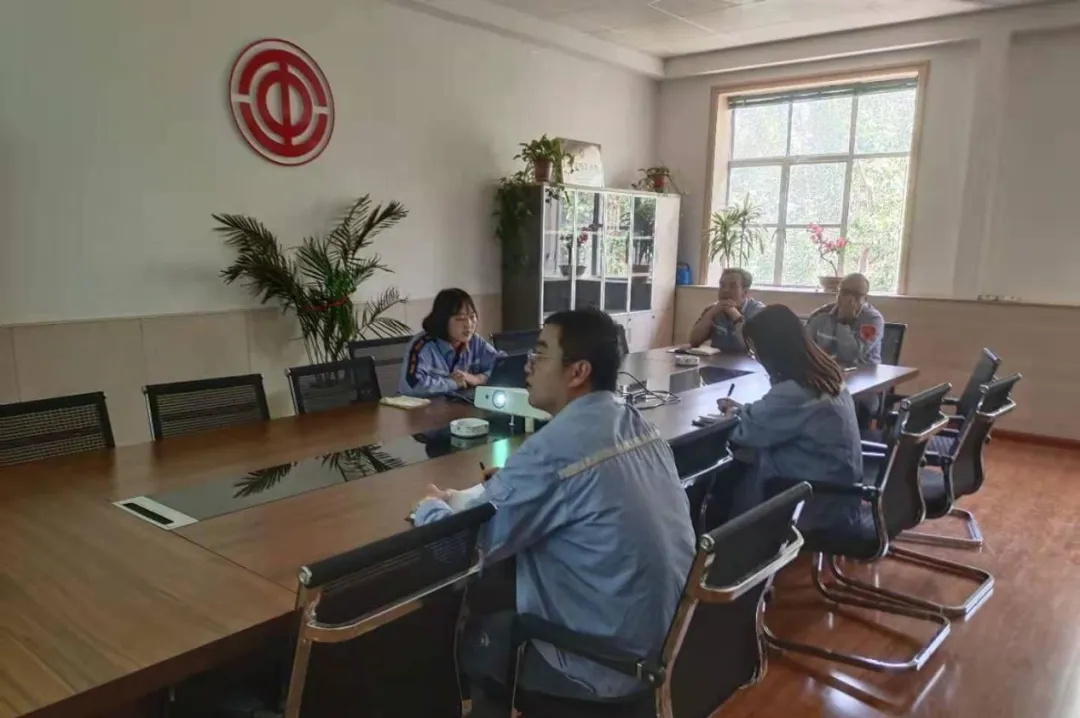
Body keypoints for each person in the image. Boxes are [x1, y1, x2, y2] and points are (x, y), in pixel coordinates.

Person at [411, 309, 695, 715]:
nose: (527, 364)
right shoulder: (634, 422)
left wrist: (430, 507)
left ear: (577, 372)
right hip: (667, 643)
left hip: (601, 663)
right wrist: (517, 482)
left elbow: (458, 549)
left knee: (468, 638)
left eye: (540, 353)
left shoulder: (554, 450)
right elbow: (575, 481)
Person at [715, 304, 868, 532]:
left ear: (772, 350)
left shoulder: (797, 391)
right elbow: (776, 417)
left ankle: (724, 543)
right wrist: (744, 410)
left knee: (723, 473)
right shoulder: (826, 375)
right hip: (838, 493)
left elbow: (744, 433)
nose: (757, 358)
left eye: (755, 352)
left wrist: (732, 415)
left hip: (812, 504)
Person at [398, 288, 501, 398]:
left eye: (472, 317)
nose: (469, 325)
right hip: (427, 408)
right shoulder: (422, 346)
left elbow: (503, 366)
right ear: (443, 320)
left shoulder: (475, 341)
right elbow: (410, 387)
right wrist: (453, 383)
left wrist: (477, 379)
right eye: (460, 319)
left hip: (461, 405)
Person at [805, 273, 885, 366]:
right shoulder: (821, 314)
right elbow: (803, 345)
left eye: (856, 294)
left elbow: (851, 355)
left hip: (863, 371)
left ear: (865, 298)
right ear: (838, 293)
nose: (849, 298)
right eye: (845, 292)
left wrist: (844, 322)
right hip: (827, 370)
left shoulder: (873, 320)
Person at [688, 268, 765, 353]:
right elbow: (694, 341)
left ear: (745, 292)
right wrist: (710, 314)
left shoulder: (758, 311)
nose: (725, 290)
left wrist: (736, 317)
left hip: (747, 361)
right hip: (718, 360)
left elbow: (752, 348)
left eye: (733, 286)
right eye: (722, 285)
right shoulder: (713, 309)